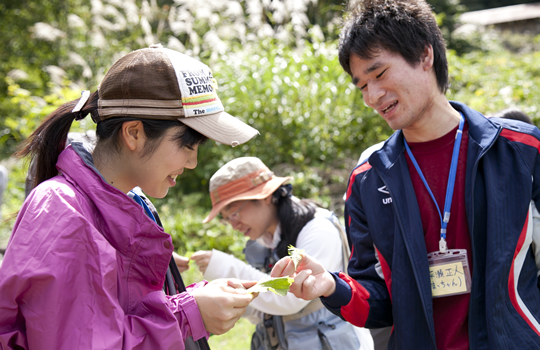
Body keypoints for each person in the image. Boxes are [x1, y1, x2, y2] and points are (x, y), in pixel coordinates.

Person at [271, 0, 540, 349]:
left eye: (379, 74)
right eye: (362, 86)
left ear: (425, 56)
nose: (373, 96)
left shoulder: (520, 151)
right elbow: (378, 301)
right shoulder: (369, 178)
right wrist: (331, 285)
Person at [0, 44, 261, 349]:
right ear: (134, 133)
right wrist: (189, 313)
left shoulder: (129, 200)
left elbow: (113, 317)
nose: (193, 162)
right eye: (188, 144)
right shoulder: (62, 213)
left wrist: (196, 300)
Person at [190, 157, 373, 349]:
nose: (234, 225)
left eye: (235, 213)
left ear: (265, 196)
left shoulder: (318, 230)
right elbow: (265, 309)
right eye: (226, 219)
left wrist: (224, 267)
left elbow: (289, 300)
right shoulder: (262, 241)